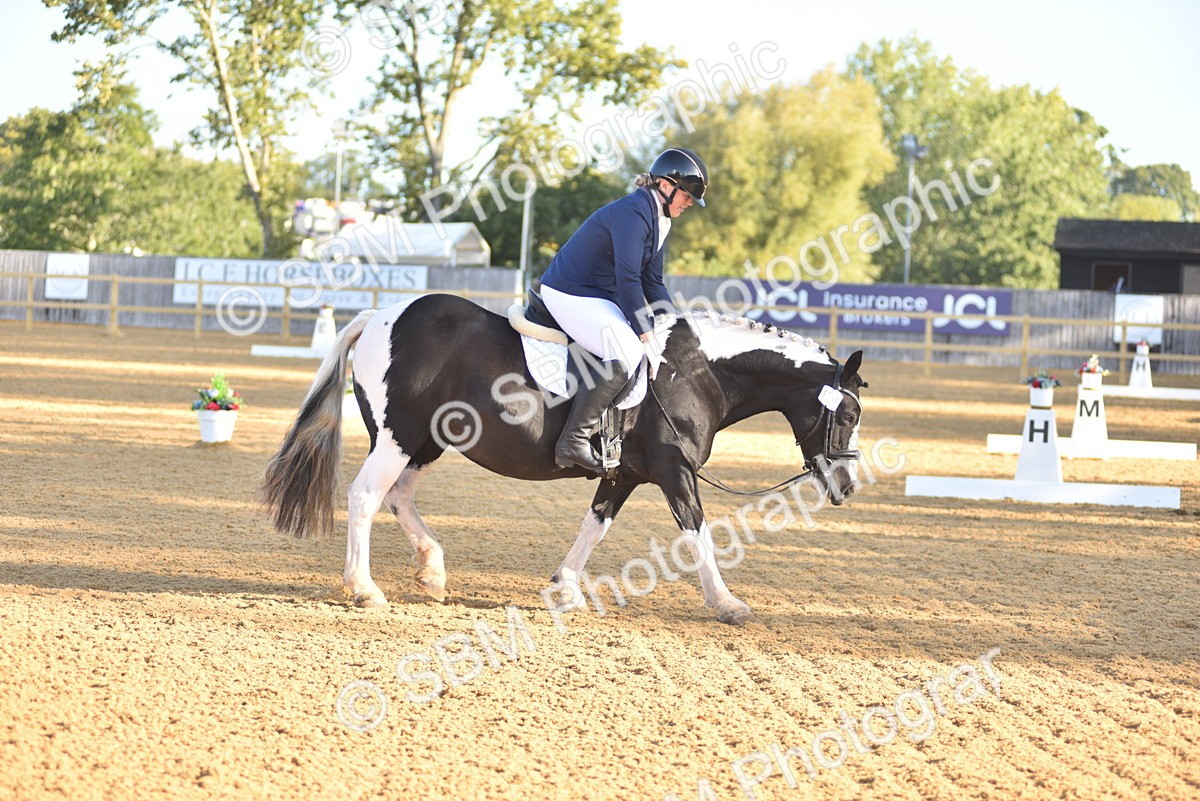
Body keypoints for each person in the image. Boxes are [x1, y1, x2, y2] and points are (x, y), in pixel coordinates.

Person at [539, 147, 709, 472]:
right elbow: (628, 277)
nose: (689, 204)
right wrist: (646, 331)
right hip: (570, 291)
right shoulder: (634, 211)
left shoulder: (660, 221)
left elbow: (653, 282)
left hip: (599, 295)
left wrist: (673, 330)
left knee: (648, 346)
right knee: (628, 349)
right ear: (665, 184)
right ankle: (573, 440)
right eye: (686, 195)